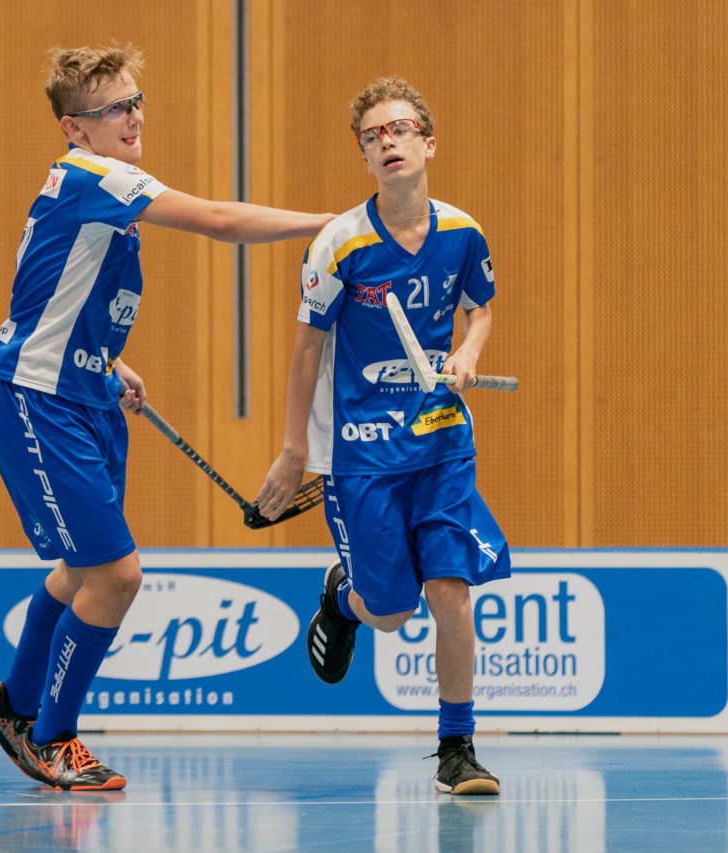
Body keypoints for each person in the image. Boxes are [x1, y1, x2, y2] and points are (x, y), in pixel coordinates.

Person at [0, 43, 332, 792]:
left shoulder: (97, 192)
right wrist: (332, 225)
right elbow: (223, 221)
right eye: (114, 108)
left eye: (136, 102)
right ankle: (54, 736)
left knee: (83, 571)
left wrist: (106, 358)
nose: (133, 117)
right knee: (117, 575)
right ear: (76, 128)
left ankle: (11, 701)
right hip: (39, 402)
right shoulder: (97, 176)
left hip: (82, 391)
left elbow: (48, 290)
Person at [254, 76, 510, 796]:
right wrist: (293, 448)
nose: (387, 142)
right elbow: (307, 348)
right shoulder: (340, 244)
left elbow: (480, 309)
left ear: (428, 142)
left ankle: (456, 748)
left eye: (399, 129)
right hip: (359, 452)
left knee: (451, 591)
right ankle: (344, 598)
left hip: (439, 443)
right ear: (365, 158)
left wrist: (467, 353)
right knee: (391, 613)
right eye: (373, 136)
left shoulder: (463, 231)